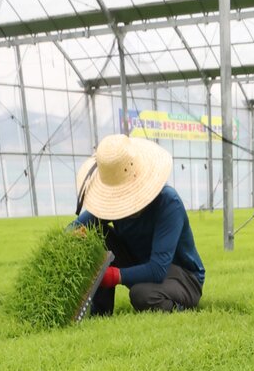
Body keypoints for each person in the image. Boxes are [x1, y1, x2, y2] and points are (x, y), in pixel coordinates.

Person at [74, 133, 204, 314]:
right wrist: (73, 239)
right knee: (95, 233)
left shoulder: (168, 202)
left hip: (181, 276)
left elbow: (158, 268)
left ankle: (178, 305)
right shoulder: (112, 203)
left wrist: (113, 276)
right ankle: (101, 312)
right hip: (140, 264)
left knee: (141, 295)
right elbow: (77, 227)